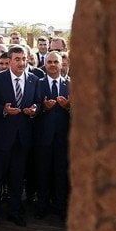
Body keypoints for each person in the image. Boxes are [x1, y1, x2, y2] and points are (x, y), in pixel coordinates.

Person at [0, 45, 38, 227]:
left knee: (17, 178)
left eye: (24, 59)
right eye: (17, 59)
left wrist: (34, 110)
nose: (21, 63)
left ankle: (14, 212)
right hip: (1, 138)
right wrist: (4, 109)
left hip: (22, 138)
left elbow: (37, 103)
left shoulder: (33, 79)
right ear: (9, 61)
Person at [34, 51, 71, 219]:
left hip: (63, 138)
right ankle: (41, 206)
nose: (53, 65)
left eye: (56, 62)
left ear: (62, 64)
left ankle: (60, 207)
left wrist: (68, 107)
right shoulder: (37, 83)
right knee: (42, 173)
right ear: (45, 64)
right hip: (43, 138)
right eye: (49, 62)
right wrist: (43, 108)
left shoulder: (70, 84)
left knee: (61, 173)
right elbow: (32, 109)